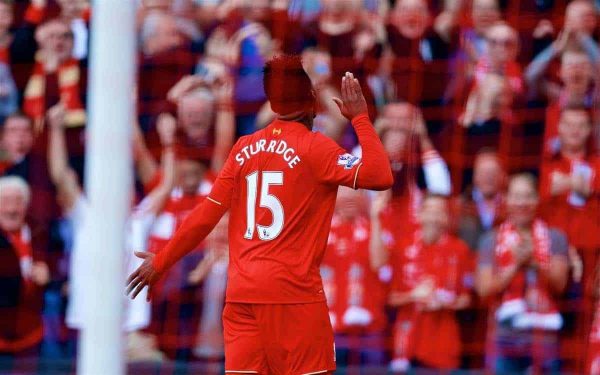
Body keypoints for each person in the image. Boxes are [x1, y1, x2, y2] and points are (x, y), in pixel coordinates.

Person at [127, 55, 393, 374]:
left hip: (242, 296)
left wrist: (160, 261)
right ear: (311, 99)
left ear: (271, 103)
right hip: (294, 295)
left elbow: (205, 216)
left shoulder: (243, 149)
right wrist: (360, 118)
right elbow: (380, 176)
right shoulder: (316, 148)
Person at [476, 174, 569, 374]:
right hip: (503, 339)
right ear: (506, 200)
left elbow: (560, 285)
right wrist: (516, 265)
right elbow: (483, 289)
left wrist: (534, 262)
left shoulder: (556, 237)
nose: (521, 203)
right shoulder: (490, 240)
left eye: (527, 196)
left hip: (544, 338)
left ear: (537, 200)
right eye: (516, 196)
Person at [371, 193, 472, 372]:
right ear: (419, 214)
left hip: (443, 343)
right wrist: (413, 295)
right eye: (429, 211)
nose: (433, 218)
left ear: (447, 218)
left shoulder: (460, 250)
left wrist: (445, 303)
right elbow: (391, 298)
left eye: (440, 212)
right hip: (407, 342)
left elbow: (467, 299)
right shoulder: (403, 247)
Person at [320, 186, 386, 368]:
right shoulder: (320, 229)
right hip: (329, 328)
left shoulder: (373, 228)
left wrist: (375, 217)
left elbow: (379, 263)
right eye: (343, 192)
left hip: (368, 328)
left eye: (354, 191)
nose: (349, 198)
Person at [0, 175, 49, 356]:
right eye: (5, 201)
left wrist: (49, 275)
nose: (12, 209)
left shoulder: (41, 234)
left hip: (33, 338)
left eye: (18, 201)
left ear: (26, 205)